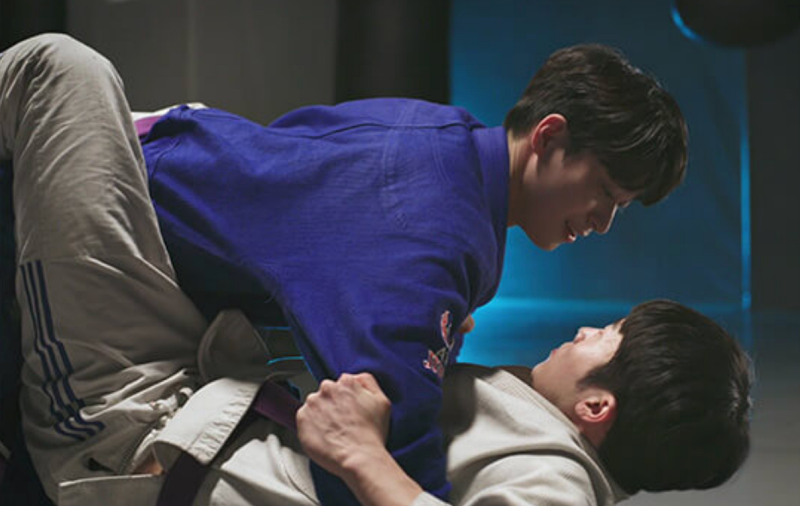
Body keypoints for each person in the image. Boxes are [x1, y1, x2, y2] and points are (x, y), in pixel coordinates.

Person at [0, 33, 687, 505]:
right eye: (605, 193)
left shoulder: (446, 138)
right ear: (550, 136)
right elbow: (388, 453)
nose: (603, 222)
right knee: (58, 66)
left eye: (619, 208)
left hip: (177, 249)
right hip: (131, 241)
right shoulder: (426, 241)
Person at [294, 300, 752, 506]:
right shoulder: (549, 427)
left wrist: (361, 454)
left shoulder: (560, 485)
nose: (584, 332)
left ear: (595, 406)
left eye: (605, 336)